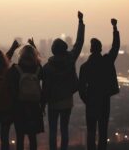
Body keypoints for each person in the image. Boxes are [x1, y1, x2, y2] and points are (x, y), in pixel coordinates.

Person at [42, 11, 85, 150]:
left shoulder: (47, 67)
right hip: (67, 100)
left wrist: (42, 103)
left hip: (53, 102)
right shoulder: (70, 59)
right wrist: (80, 22)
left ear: (53, 50)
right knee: (64, 130)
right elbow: (79, 42)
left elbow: (44, 85)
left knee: (53, 131)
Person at [79, 18, 120, 150]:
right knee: (103, 131)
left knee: (91, 132)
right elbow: (115, 47)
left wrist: (87, 100)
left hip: (91, 100)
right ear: (100, 49)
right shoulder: (107, 61)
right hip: (104, 100)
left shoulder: (85, 66)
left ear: (91, 49)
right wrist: (114, 28)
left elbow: (81, 89)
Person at [7, 40, 44, 150]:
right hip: (34, 106)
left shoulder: (15, 69)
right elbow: (41, 69)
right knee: (32, 138)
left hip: (19, 107)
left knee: (20, 137)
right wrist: (34, 48)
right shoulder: (37, 69)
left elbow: (4, 66)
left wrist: (12, 49)